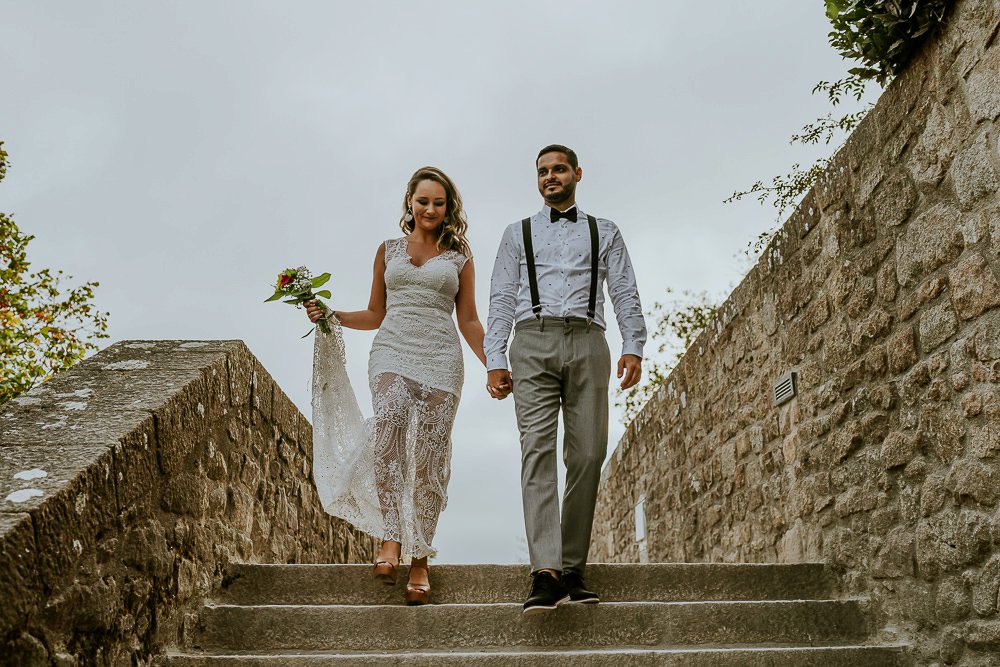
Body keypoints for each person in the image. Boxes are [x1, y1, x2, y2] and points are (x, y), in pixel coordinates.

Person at [306, 166, 487, 605]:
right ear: (410, 201)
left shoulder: (460, 258)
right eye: (422, 200)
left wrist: (496, 364)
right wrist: (333, 316)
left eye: (438, 202)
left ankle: (420, 558)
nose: (429, 208)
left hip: (442, 359)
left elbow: (468, 319)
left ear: (448, 209)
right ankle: (391, 536)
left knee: (429, 458)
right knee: (388, 427)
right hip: (392, 351)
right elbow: (375, 313)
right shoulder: (388, 251)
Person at [485, 144, 647, 615]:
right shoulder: (517, 233)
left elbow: (623, 289)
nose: (550, 177)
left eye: (559, 170)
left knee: (589, 452)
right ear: (537, 179)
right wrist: (495, 357)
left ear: (577, 173)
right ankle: (546, 571)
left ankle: (573, 566)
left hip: (589, 340)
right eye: (543, 172)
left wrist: (633, 345)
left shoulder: (606, 231)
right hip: (531, 341)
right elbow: (500, 296)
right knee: (536, 450)